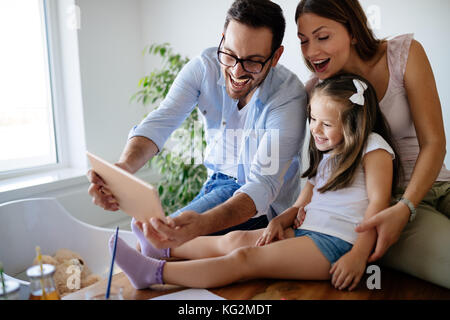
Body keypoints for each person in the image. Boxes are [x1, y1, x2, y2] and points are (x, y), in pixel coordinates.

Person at [109, 74, 400, 291]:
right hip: (306, 234)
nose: (315, 130)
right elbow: (303, 202)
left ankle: (155, 274)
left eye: (326, 124)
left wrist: (359, 256)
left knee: (245, 258)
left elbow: (378, 205)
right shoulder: (327, 154)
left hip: (338, 245)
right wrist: (281, 221)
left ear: (355, 123)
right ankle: (163, 248)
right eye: (312, 119)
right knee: (235, 239)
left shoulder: (373, 147)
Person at [87, 0, 307, 247]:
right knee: (152, 239)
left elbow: (262, 186)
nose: (236, 71)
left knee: (153, 244)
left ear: (275, 56)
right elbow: (161, 121)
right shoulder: (205, 68)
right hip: (215, 184)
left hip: (260, 206)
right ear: (223, 39)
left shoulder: (288, 97)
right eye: (230, 55)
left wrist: (203, 224)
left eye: (253, 62)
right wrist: (122, 171)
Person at [295, 0, 450, 288]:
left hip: (436, 185)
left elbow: (434, 142)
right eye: (303, 41)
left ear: (353, 30)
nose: (311, 52)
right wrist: (297, 209)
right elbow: (318, 168)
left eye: (323, 37)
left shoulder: (403, 54)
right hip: (386, 205)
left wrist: (408, 205)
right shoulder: (318, 91)